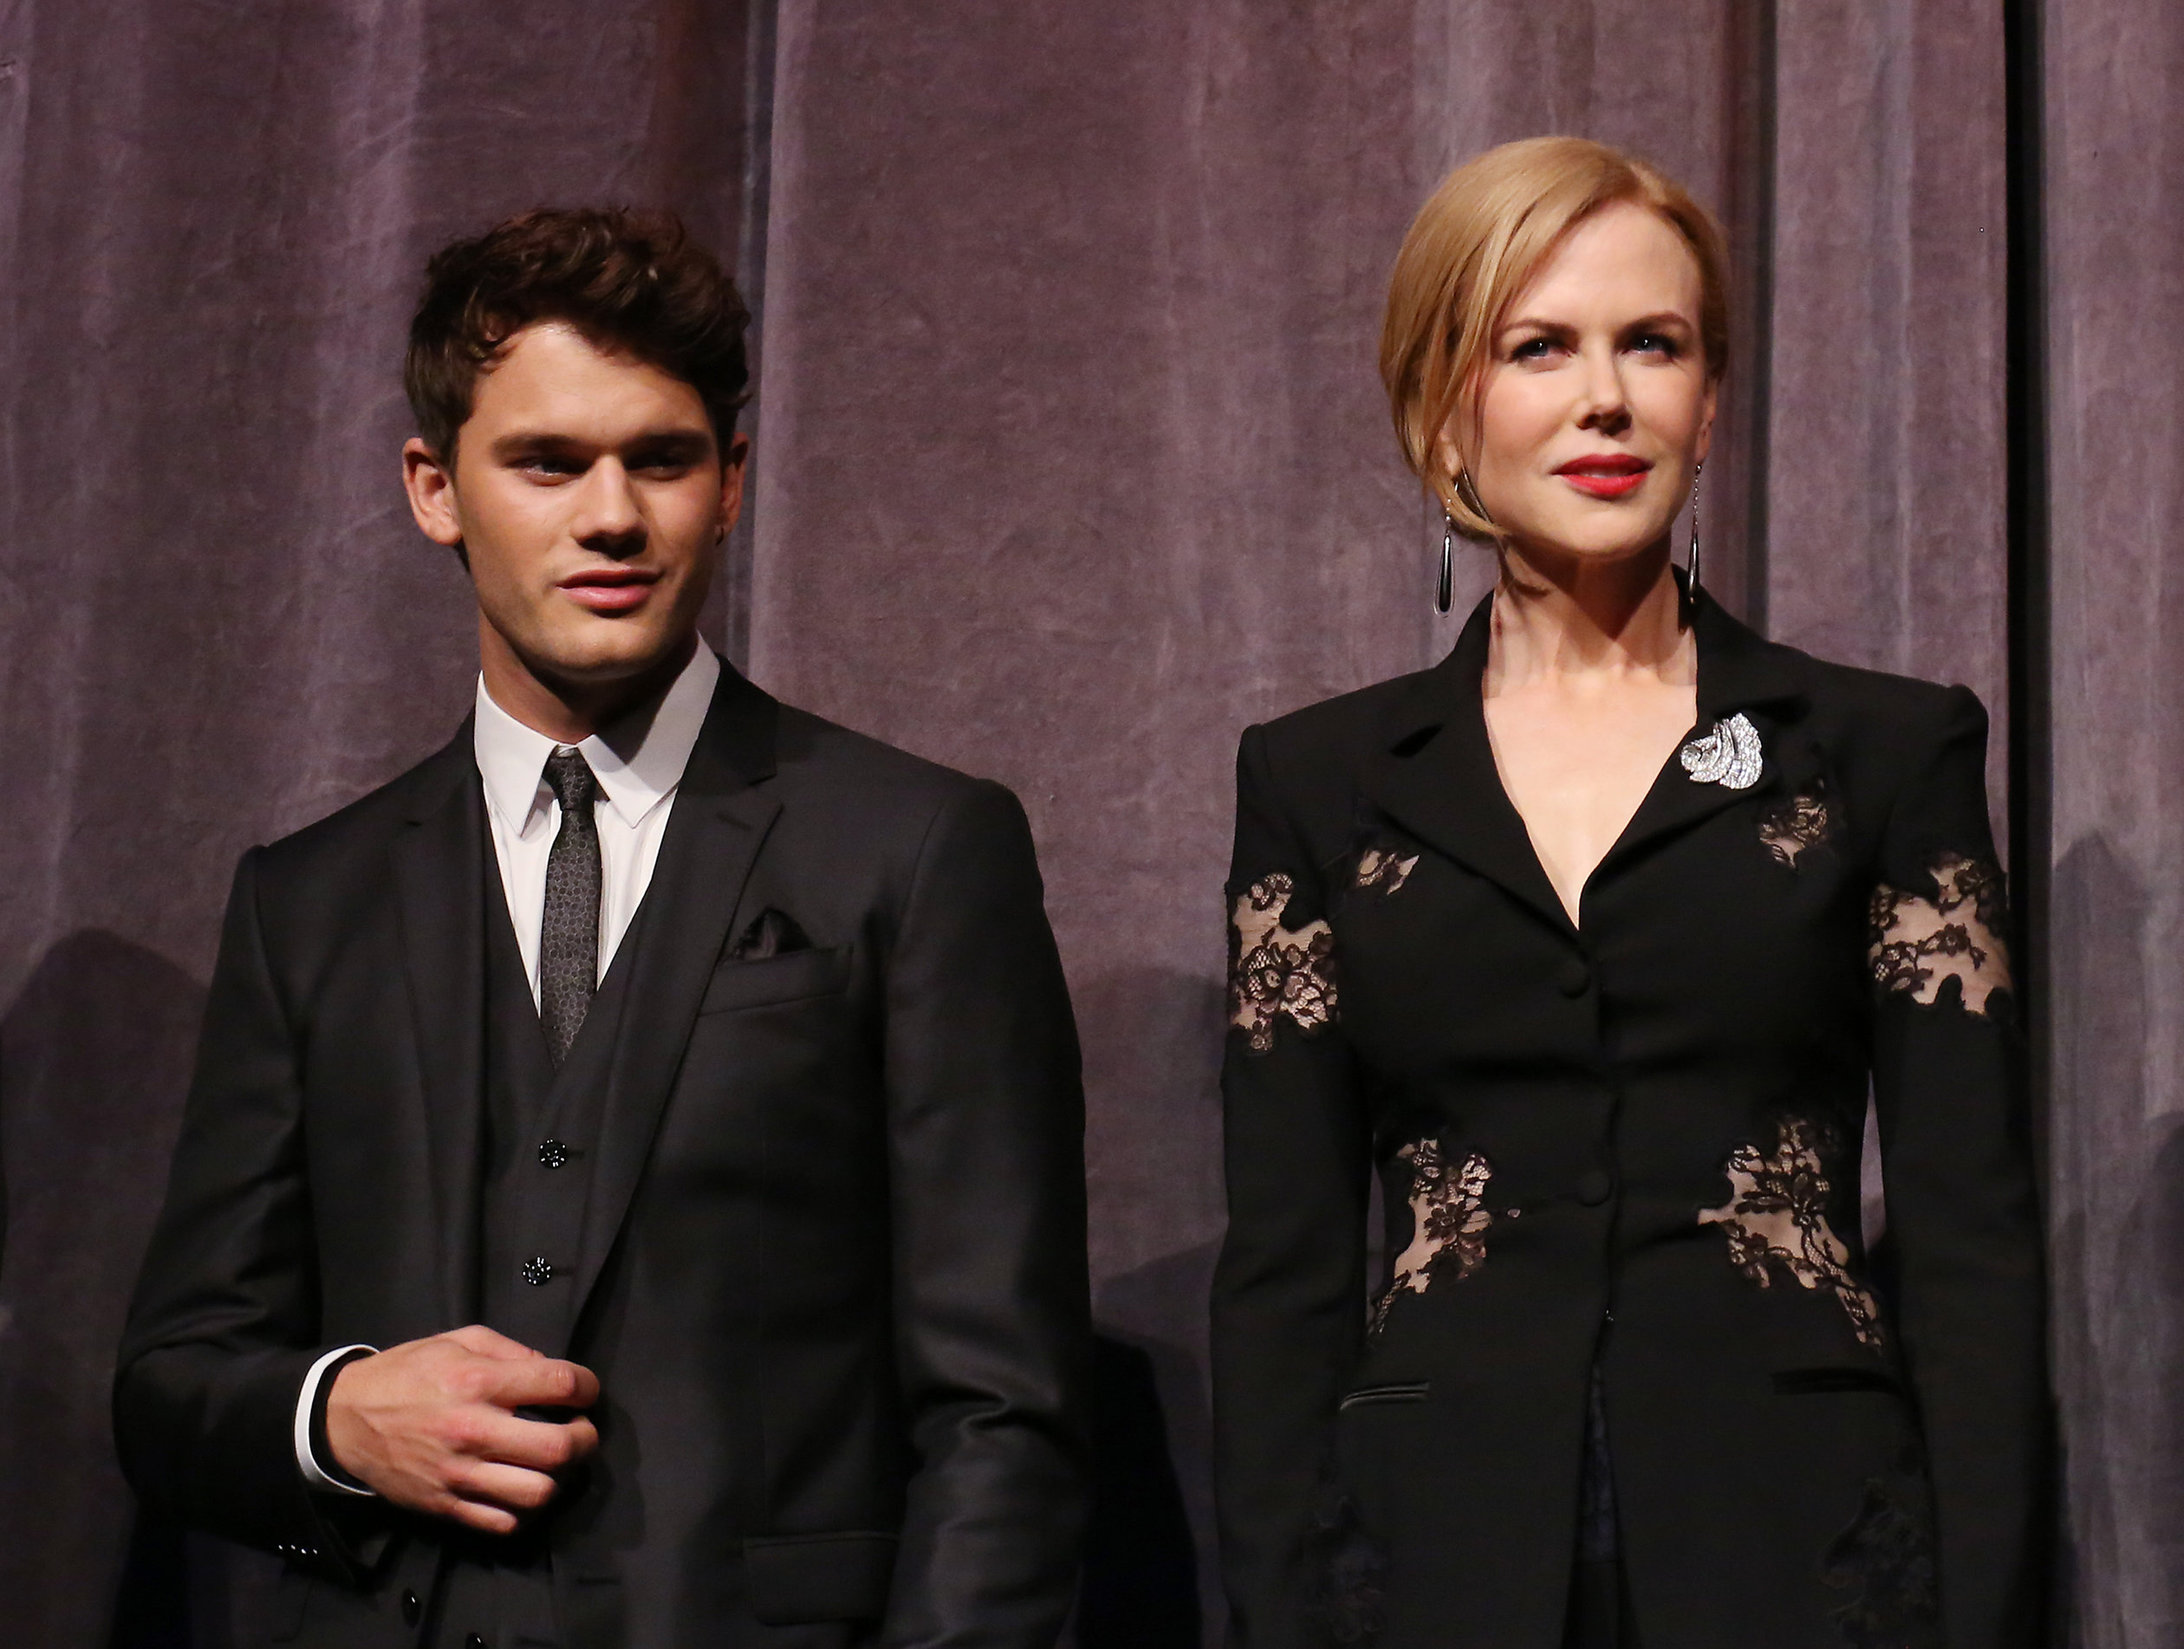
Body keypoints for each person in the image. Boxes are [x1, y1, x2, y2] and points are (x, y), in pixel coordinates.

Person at [114, 208, 1091, 1648]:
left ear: (734, 481)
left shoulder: (919, 847)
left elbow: (1005, 1409)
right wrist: (337, 1414)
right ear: (433, 488)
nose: (614, 514)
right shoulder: (305, 901)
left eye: (663, 458)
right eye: (548, 462)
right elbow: (172, 1379)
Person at [1210, 138, 2048, 1648]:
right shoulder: (1319, 779)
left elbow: (1971, 1240)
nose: (1608, 398)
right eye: (1540, 347)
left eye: (1652, 344)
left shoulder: (1883, 751)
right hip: (1428, 1558)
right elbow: (1281, 1271)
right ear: (1443, 403)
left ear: (1709, 399)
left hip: (1806, 1553)